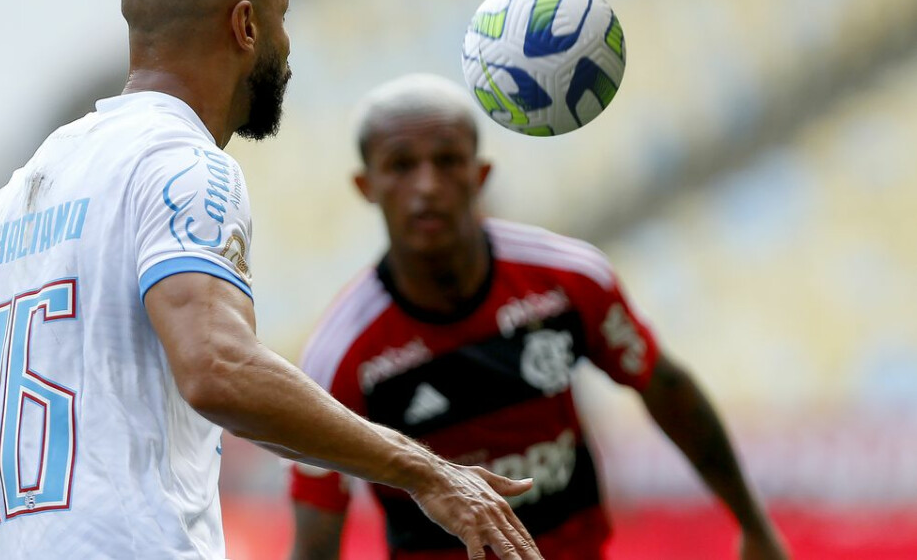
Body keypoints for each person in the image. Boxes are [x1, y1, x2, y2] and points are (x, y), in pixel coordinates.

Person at [0, 0, 543, 560]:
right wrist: (422, 470)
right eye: (283, 17)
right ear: (246, 25)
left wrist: (62, 514)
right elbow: (219, 369)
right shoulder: (184, 164)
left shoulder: (21, 192)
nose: (288, 46)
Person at [288, 73, 790, 560]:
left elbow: (667, 388)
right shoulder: (342, 354)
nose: (427, 186)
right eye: (400, 166)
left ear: (480, 176)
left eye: (447, 161)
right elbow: (316, 531)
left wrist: (754, 524)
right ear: (366, 186)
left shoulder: (568, 279)